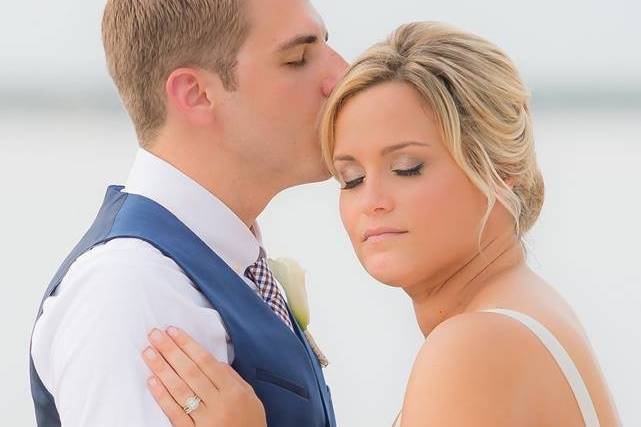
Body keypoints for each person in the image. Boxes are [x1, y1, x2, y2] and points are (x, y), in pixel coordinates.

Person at [142, 22, 621, 426]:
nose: (372, 201)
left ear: (499, 172)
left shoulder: (475, 343)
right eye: (350, 178)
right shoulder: (525, 310)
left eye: (407, 168)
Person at [29, 0, 347, 426]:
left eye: (327, 46)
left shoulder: (213, 262)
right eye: (298, 58)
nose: (342, 74)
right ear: (196, 94)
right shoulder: (130, 290)